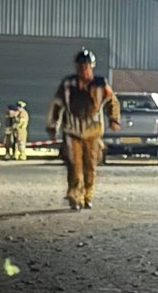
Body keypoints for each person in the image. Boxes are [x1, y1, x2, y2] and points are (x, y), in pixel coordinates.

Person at [47, 49, 120, 210]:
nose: (84, 70)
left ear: (92, 67)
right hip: (72, 131)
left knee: (90, 165)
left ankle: (87, 194)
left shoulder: (101, 85)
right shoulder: (68, 84)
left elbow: (112, 102)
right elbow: (57, 105)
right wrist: (52, 125)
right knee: (74, 163)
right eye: (81, 67)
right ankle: (75, 195)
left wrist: (113, 119)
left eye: (87, 67)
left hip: (93, 132)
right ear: (76, 67)